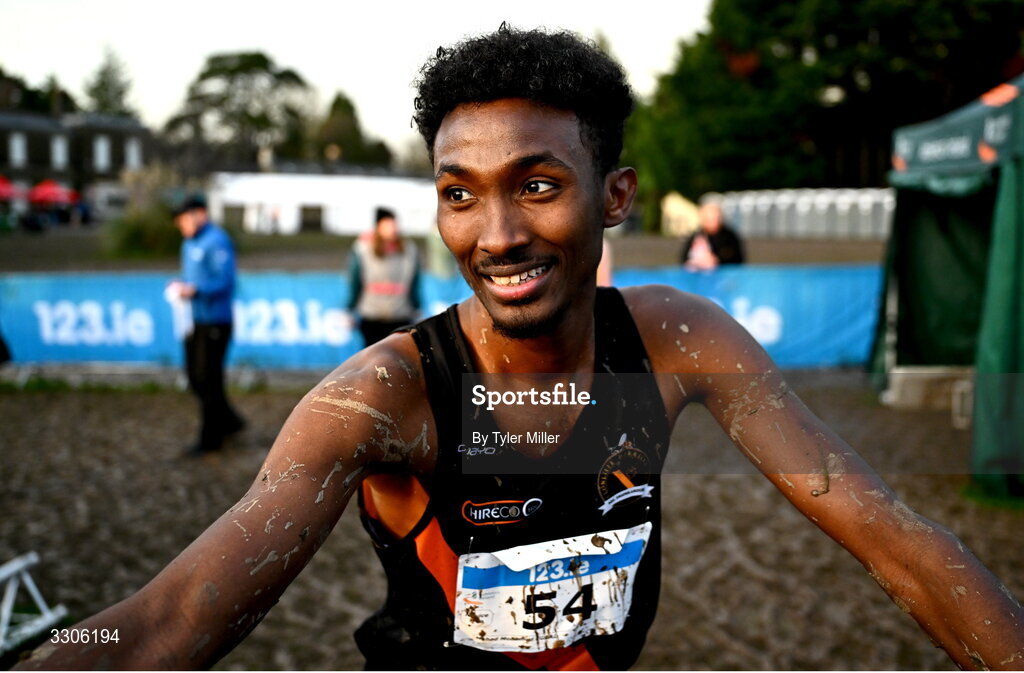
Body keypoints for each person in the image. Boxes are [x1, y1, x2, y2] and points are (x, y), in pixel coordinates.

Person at [18, 26, 1023, 671]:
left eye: (537, 183)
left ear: (614, 196)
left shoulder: (679, 339)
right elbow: (164, 621)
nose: (493, 231)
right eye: (460, 192)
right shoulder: (382, 397)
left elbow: (904, 547)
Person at [167, 195, 245, 457]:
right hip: (194, 319)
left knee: (209, 379)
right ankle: (231, 422)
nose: (181, 226)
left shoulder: (217, 240)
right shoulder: (189, 243)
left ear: (199, 214)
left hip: (215, 321)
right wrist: (180, 285)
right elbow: (192, 277)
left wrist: (195, 290)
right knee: (195, 377)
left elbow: (225, 282)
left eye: (183, 219)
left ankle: (211, 438)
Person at [347, 207, 422, 346]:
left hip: (400, 315)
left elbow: (415, 281)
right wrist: (350, 309)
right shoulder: (363, 248)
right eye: (388, 224)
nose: (393, 228)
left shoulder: (409, 249)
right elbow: (355, 280)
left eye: (394, 224)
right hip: (372, 316)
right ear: (378, 226)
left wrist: (417, 307)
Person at [680, 200, 745, 270]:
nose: (713, 222)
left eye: (715, 218)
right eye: (709, 219)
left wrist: (716, 260)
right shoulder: (696, 236)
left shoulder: (729, 237)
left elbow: (736, 259)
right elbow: (684, 259)